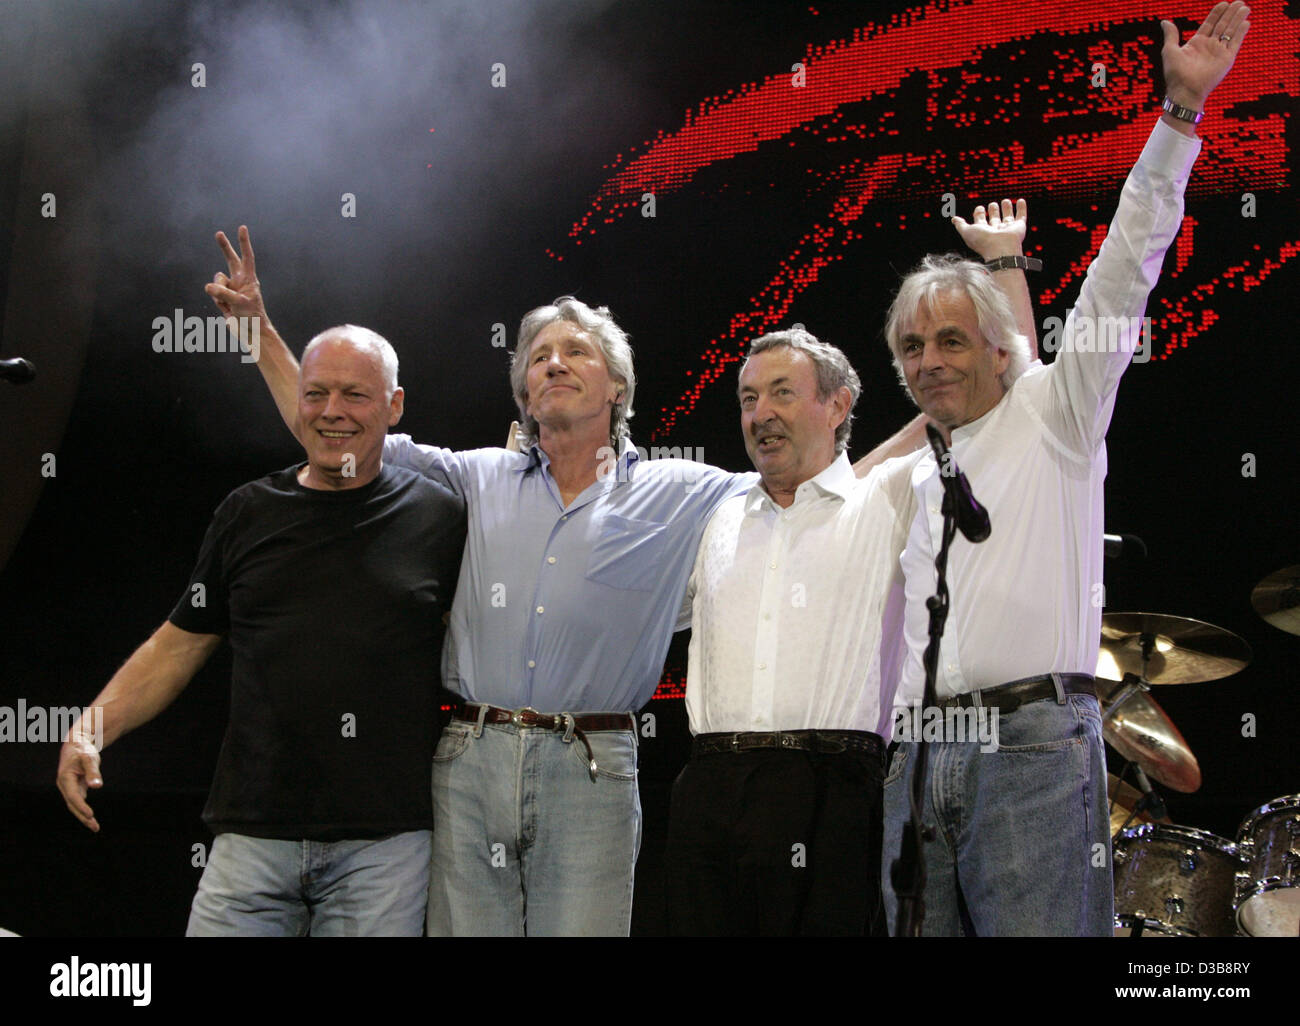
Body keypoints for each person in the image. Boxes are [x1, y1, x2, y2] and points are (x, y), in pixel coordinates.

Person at [206, 241, 766, 934]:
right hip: (471, 760)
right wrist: (258, 329)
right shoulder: (473, 477)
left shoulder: (678, 491)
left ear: (618, 386)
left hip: (591, 767)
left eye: (576, 352)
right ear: (524, 394)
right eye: (538, 357)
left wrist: (937, 420)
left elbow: (821, 489)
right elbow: (336, 432)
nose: (554, 363)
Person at [879, 1, 1251, 935]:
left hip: (1036, 748)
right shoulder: (913, 468)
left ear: (1003, 350)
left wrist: (1177, 118)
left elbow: (1124, 270)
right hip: (918, 753)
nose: (929, 360)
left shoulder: (1059, 415)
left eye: (951, 340)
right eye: (912, 346)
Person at [56, 327, 465, 936]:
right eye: (316, 392)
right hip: (252, 836)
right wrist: (89, 730)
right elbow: (177, 644)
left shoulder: (441, 515)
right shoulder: (247, 512)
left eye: (354, 394)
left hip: (386, 848)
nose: (331, 411)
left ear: (394, 405)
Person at [664, 328, 914, 935]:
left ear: (838, 405)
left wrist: (1006, 263)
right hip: (710, 790)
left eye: (782, 392)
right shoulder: (715, 516)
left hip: (834, 792)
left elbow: (975, 413)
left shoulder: (887, 498)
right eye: (749, 399)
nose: (762, 414)